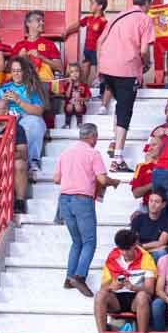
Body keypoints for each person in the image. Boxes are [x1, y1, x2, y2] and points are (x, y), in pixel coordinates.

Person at [54, 123, 120, 297]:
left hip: (64, 200)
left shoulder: (66, 152)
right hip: (82, 200)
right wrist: (114, 182)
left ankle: (69, 277)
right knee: (89, 241)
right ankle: (79, 276)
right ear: (93, 137)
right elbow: (102, 180)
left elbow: (56, 179)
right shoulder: (93, 153)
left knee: (77, 241)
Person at [98, 0, 155, 171]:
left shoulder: (118, 16)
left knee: (119, 105)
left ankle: (114, 143)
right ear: (147, 2)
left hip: (107, 67)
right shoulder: (145, 19)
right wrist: (147, 64)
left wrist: (101, 65)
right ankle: (118, 159)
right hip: (127, 69)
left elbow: (100, 41)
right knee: (125, 112)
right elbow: (145, 50)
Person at [96, 228, 157, 333]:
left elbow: (150, 290)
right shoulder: (112, 257)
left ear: (135, 245)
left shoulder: (146, 259)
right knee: (100, 295)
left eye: (128, 249)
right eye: (121, 249)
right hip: (117, 299)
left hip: (136, 298)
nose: (124, 253)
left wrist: (134, 287)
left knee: (142, 295)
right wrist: (112, 287)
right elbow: (103, 288)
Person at [0, 56, 49, 172]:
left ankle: (33, 161)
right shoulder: (3, 88)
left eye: (19, 70)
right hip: (7, 118)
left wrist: (18, 101)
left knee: (34, 122)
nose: (16, 74)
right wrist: (3, 101)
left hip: (27, 117)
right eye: (14, 71)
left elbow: (38, 111)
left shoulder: (32, 87)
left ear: (25, 71)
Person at [63, 0, 109, 90]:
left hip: (97, 50)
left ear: (100, 6)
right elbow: (77, 25)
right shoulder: (88, 19)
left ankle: (100, 89)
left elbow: (107, 37)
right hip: (87, 49)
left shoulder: (103, 21)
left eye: (92, 4)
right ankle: (83, 88)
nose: (90, 6)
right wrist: (67, 31)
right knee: (85, 69)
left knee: (98, 71)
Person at [11, 10, 64, 78]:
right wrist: (19, 58)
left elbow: (60, 68)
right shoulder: (19, 45)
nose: (42, 23)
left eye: (42, 21)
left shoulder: (49, 44)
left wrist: (40, 57)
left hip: (42, 83)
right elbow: (7, 70)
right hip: (23, 82)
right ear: (28, 23)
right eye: (38, 20)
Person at [131, 190, 168, 259]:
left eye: (156, 202)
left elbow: (161, 242)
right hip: (139, 252)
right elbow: (134, 242)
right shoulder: (138, 219)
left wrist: (142, 246)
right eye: (151, 201)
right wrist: (142, 247)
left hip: (155, 252)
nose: (153, 204)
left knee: (161, 253)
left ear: (163, 205)